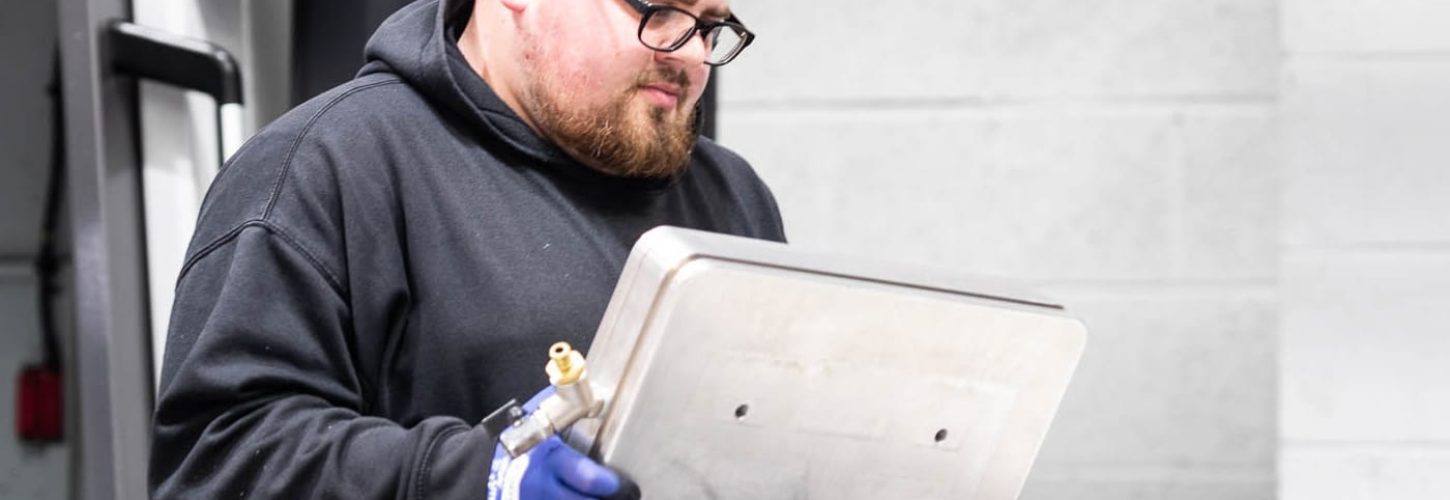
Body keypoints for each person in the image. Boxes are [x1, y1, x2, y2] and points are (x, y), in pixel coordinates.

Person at [149, 0, 784, 497]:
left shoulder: (732, 197)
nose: (691, 55)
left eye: (710, 26)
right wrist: (476, 478)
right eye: (660, 10)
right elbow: (218, 463)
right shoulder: (325, 167)